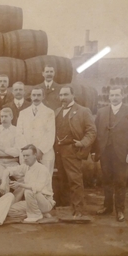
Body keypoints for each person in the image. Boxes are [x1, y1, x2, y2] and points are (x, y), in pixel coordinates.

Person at [92, 87, 128, 222]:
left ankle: (120, 210)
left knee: (120, 181)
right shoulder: (102, 112)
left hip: (121, 153)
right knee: (106, 180)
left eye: (117, 95)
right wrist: (95, 150)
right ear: (109, 97)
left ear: (122, 96)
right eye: (112, 95)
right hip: (105, 152)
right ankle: (107, 207)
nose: (114, 97)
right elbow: (96, 133)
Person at [53, 86, 97, 218]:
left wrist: (82, 143)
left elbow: (92, 131)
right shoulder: (57, 111)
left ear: (73, 95)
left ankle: (78, 210)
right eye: (61, 95)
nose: (63, 98)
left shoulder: (83, 111)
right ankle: (66, 208)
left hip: (72, 150)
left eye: (66, 95)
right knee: (62, 179)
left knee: (75, 180)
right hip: (58, 151)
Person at [6, 144, 56, 223]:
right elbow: (9, 170)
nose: (25, 158)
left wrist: (19, 184)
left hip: (45, 201)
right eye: (24, 156)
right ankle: (40, 214)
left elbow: (38, 188)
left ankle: (36, 214)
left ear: (35, 155)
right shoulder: (25, 166)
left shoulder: (42, 169)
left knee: (30, 190)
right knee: (11, 210)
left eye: (27, 155)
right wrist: (5, 177)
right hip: (32, 201)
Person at [16, 87, 56, 174]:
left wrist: (40, 150)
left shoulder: (49, 112)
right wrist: (28, 151)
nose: (36, 97)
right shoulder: (23, 113)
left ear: (43, 97)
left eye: (39, 95)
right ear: (30, 96)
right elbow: (19, 133)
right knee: (27, 180)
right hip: (26, 153)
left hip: (44, 153)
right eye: (34, 95)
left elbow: (50, 134)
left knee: (45, 181)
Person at [0, 107, 20, 175]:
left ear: (11, 117)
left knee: (22, 178)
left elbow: (17, 152)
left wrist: (3, 149)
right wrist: (11, 153)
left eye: (6, 116)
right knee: (2, 178)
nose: (3, 119)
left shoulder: (17, 130)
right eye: (2, 116)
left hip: (13, 162)